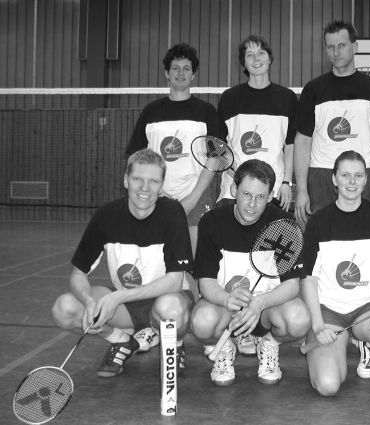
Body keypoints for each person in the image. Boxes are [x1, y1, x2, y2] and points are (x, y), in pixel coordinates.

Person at [51, 149, 193, 378]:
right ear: (126, 180)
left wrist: (118, 297)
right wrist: (88, 301)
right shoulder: (106, 216)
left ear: (161, 186)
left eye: (153, 181)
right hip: (127, 307)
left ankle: (174, 345)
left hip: (167, 298)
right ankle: (122, 340)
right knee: (64, 309)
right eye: (138, 179)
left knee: (169, 309)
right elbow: (78, 275)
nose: (145, 188)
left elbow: (175, 281)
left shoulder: (172, 212)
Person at [190, 159, 310, 386]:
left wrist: (259, 303)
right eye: (246, 194)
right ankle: (224, 347)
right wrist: (227, 299)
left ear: (271, 196)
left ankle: (269, 343)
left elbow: (292, 285)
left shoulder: (284, 224)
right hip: (226, 309)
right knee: (201, 322)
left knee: (299, 320)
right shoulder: (211, 222)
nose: (252, 204)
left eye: (261, 197)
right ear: (234, 189)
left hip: (266, 310)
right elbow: (205, 282)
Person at [301, 151, 370, 396]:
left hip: (367, 310)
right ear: (334, 179)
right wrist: (318, 327)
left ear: (366, 179)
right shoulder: (318, 221)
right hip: (329, 312)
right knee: (327, 385)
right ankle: (341, 344)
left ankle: (366, 343)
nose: (352, 182)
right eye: (345, 175)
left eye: (358, 176)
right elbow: (309, 279)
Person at [126, 42, 224, 261]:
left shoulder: (206, 112)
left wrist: (193, 198)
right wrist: (158, 191)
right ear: (166, 73)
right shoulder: (151, 112)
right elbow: (135, 157)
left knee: (199, 262)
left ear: (193, 74)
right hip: (156, 196)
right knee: (158, 262)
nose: (181, 73)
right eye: (175, 68)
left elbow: (216, 157)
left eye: (186, 68)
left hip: (196, 196)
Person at [294, 20, 370, 229]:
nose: (336, 52)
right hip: (321, 176)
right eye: (330, 46)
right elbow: (302, 141)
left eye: (341, 45)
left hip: (365, 175)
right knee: (323, 238)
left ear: (355, 47)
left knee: (365, 236)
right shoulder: (313, 89)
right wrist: (302, 190)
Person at [216, 35, 297, 215]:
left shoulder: (287, 98)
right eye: (250, 54)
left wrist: (286, 182)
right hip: (233, 189)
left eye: (261, 52)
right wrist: (236, 174)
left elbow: (290, 146)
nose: (256, 58)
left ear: (269, 58)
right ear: (244, 63)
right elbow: (220, 148)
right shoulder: (229, 98)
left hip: (274, 189)